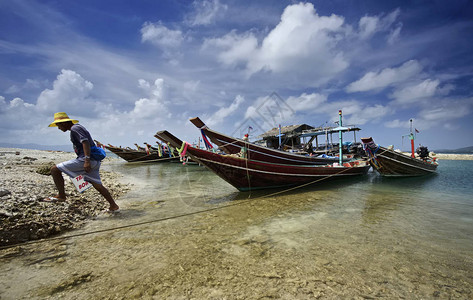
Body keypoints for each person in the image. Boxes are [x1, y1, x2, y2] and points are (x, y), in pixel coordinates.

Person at [45, 112, 119, 212]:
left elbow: (85, 142)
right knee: (97, 184)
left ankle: (61, 196)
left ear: (64, 123)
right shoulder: (77, 128)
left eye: (58, 125)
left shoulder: (75, 129)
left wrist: (86, 160)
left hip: (85, 159)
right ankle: (113, 206)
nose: (58, 128)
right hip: (94, 160)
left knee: (54, 170)